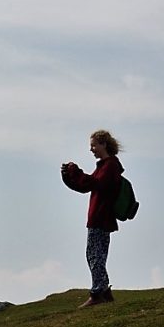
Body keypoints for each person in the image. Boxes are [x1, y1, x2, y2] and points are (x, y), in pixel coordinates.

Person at [61, 129, 124, 308]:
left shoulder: (110, 165)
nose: (92, 150)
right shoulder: (106, 166)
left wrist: (76, 172)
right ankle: (103, 291)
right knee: (94, 255)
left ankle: (98, 293)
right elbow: (86, 186)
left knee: (95, 256)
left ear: (103, 144)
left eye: (93, 145)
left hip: (101, 218)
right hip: (99, 218)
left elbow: (95, 184)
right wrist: (70, 177)